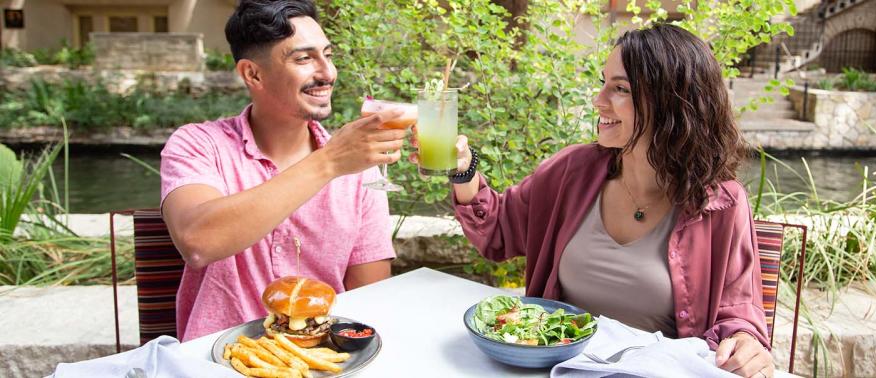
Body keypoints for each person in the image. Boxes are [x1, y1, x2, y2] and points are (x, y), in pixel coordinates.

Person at [437, 24, 775, 378]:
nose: (599, 100)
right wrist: (463, 170)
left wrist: (745, 343)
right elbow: (497, 231)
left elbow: (738, 316)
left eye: (619, 88)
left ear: (670, 101)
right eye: (603, 82)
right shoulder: (572, 171)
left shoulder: (720, 203)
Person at [160, 0, 406, 341]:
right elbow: (198, 242)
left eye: (328, 55)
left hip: (324, 358)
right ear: (253, 74)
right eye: (304, 59)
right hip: (214, 361)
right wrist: (329, 162)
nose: (328, 73)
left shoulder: (359, 168)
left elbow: (370, 298)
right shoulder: (199, 144)